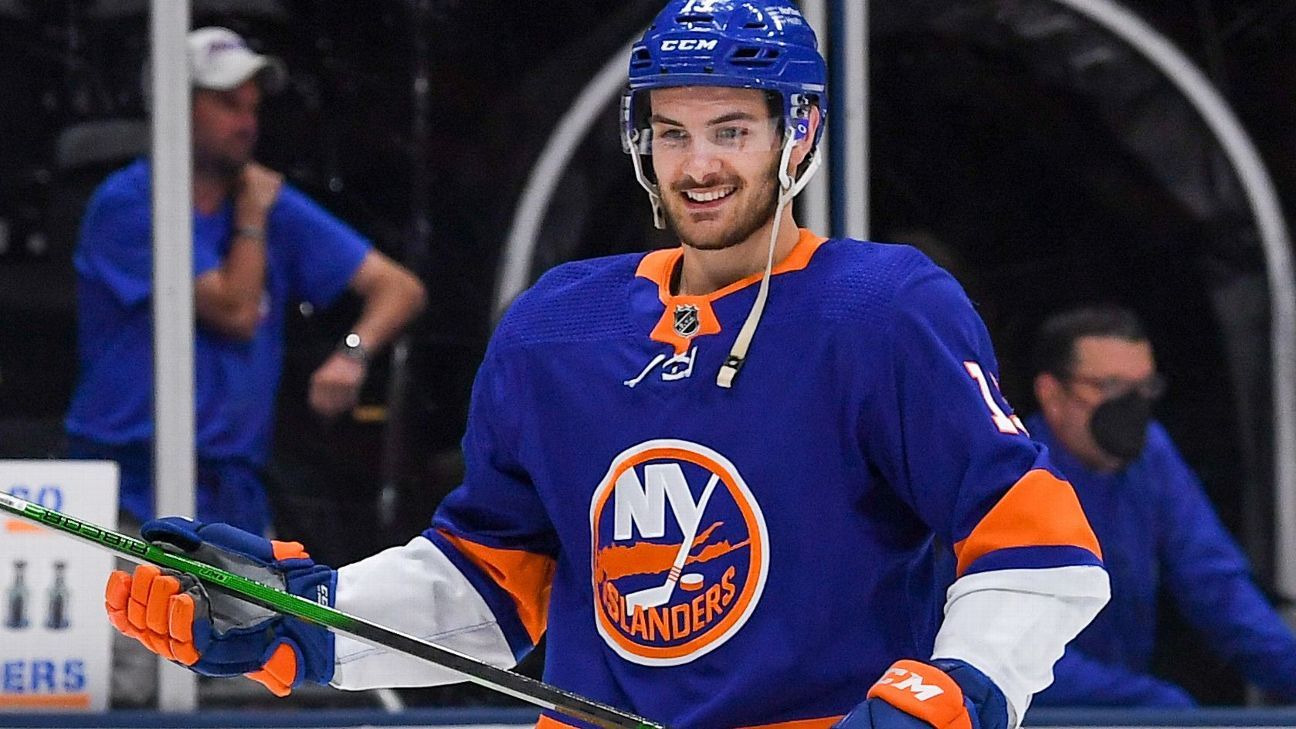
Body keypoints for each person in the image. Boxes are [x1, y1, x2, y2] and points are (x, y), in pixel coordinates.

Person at [102, 4, 1108, 727]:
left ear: (796, 134)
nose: (699, 164)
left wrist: (958, 692)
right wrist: (299, 617)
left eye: (731, 131)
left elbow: (1038, 549)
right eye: (672, 132)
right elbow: (489, 585)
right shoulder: (558, 324)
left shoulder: (881, 310)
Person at [63, 27, 427, 537]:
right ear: (175, 108)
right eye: (229, 105)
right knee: (137, 614)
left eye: (253, 108)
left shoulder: (268, 198)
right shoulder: (128, 204)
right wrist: (252, 218)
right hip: (128, 480)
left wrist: (352, 353)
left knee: (256, 615)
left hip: (233, 487)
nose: (247, 124)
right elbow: (235, 312)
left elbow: (400, 288)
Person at [1025, 305, 1296, 708]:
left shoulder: (1150, 456)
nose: (1131, 407)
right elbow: (1012, 647)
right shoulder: (1012, 476)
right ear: (1052, 394)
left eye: (1144, 388)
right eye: (1112, 387)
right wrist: (1150, 703)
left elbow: (1216, 585)